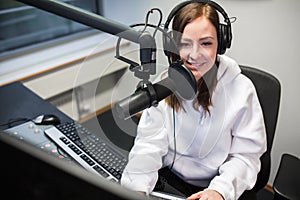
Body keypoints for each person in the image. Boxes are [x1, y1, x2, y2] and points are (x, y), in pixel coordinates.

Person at [120, 1, 267, 200]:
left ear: (221, 44)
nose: (195, 55)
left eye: (206, 43)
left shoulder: (241, 90)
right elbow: (148, 145)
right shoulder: (164, 85)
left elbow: (246, 156)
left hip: (218, 185)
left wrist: (220, 191)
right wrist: (134, 189)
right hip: (170, 180)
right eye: (185, 43)